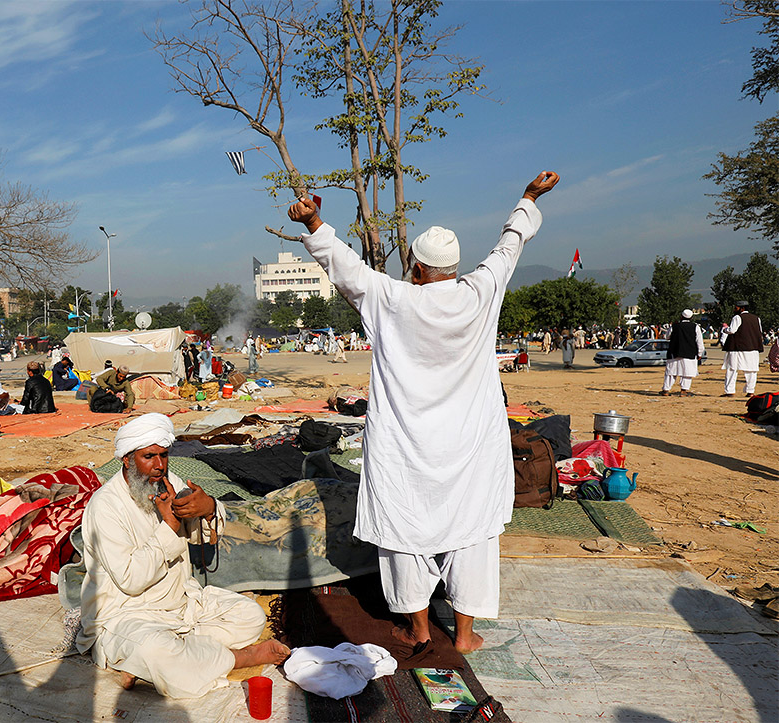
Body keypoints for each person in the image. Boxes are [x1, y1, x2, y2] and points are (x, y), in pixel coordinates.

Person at [289, 170, 559, 654]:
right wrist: (529, 197)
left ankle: (417, 628)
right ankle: (465, 633)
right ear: (453, 267)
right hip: (470, 445)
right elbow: (509, 246)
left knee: (404, 528)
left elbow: (345, 267)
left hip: (406, 445)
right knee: (472, 531)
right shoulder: (480, 292)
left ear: (415, 267)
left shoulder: (391, 298)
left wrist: (314, 224)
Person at [76, 414, 290, 698]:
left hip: (181, 603)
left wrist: (209, 509)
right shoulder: (105, 506)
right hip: (128, 614)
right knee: (155, 649)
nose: (159, 465)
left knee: (250, 616)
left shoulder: (169, 483)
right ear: (127, 459)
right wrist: (170, 526)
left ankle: (152, 663)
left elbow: (201, 534)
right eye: (149, 457)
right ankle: (239, 657)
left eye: (164, 455)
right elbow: (131, 580)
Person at [721, 300, 764, 397]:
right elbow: (759, 331)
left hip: (738, 348)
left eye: (736, 307)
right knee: (751, 370)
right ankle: (750, 391)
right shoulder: (756, 318)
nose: (734, 309)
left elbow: (732, 330)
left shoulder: (737, 317)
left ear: (742, 308)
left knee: (732, 369)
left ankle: (730, 391)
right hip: (753, 348)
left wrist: (725, 330)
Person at [661, 310, 705, 397]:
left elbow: (667, 337)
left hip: (674, 352)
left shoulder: (674, 326)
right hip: (689, 353)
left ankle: (666, 390)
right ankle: (684, 391)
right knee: (687, 373)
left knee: (671, 372)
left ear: (681, 316)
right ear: (691, 318)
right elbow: (699, 341)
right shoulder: (695, 327)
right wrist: (700, 353)